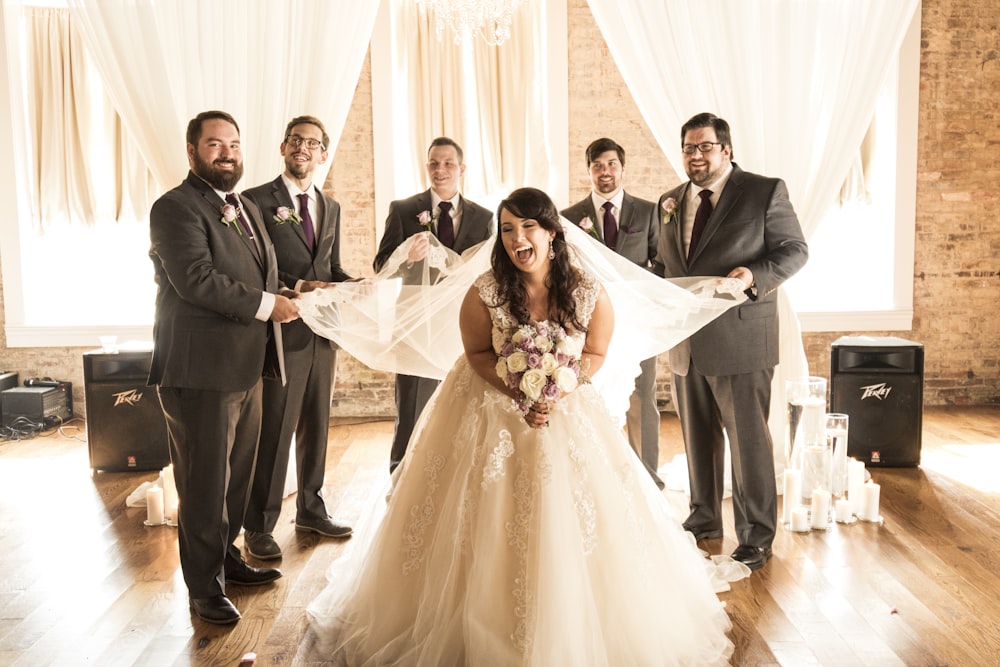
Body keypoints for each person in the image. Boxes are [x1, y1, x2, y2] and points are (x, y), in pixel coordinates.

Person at [303, 188, 743, 665]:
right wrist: (519, 390)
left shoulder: (588, 291)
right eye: (508, 229)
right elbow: (476, 355)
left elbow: (595, 353)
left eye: (527, 227)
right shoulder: (486, 290)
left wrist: (556, 388)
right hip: (486, 411)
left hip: (568, 410)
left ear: (552, 233)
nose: (517, 238)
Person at [148, 110, 300, 624]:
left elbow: (255, 275)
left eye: (233, 143)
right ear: (192, 151)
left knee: (236, 477)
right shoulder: (174, 208)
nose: (227, 152)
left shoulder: (246, 207)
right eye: (215, 144)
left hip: (247, 366)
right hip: (200, 372)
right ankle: (203, 588)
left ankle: (226, 560)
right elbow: (196, 279)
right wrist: (265, 305)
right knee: (204, 484)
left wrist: (289, 294)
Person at [653, 112, 809, 571]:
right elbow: (667, 265)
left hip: (742, 337)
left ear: (726, 149)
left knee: (748, 443)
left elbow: (795, 250)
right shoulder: (669, 200)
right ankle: (703, 519)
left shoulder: (763, 191)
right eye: (688, 147)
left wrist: (753, 276)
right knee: (697, 440)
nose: (695, 156)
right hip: (687, 341)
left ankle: (757, 535)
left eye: (704, 147)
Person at [240, 115, 354, 561]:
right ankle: (259, 525)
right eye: (296, 140)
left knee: (317, 427)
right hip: (280, 334)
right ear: (283, 147)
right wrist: (304, 288)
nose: (304, 148)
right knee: (276, 430)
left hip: (322, 333)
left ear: (324, 153)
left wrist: (357, 285)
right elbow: (256, 270)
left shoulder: (331, 206)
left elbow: (331, 268)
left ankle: (311, 508)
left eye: (313, 143)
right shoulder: (254, 202)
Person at [372, 137, 494, 472]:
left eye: (448, 164)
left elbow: (486, 273)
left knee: (462, 403)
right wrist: (406, 257)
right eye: (434, 164)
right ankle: (400, 477)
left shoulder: (484, 217)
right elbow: (380, 265)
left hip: (460, 325)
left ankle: (456, 475)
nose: (440, 170)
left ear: (462, 169)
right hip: (415, 325)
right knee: (411, 406)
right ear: (427, 167)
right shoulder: (402, 209)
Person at [561, 137, 663, 489]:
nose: (605, 172)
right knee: (591, 395)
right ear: (589, 170)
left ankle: (647, 478)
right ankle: (595, 477)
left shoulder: (648, 212)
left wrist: (635, 291)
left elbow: (660, 265)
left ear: (623, 167)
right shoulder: (571, 218)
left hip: (636, 322)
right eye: (598, 165)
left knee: (641, 397)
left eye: (611, 164)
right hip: (590, 324)